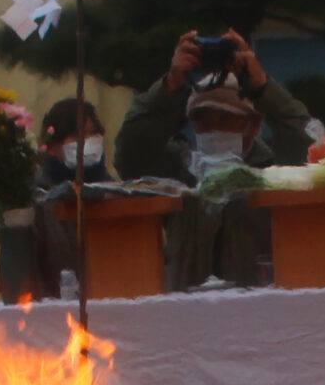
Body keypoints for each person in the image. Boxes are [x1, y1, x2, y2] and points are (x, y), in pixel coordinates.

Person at [117, 30, 312, 287]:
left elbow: (308, 141)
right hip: (187, 310)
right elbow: (131, 152)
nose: (212, 129)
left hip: (260, 309)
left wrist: (263, 87)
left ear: (252, 127)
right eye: (202, 120)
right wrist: (170, 85)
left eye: (225, 119)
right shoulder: (178, 173)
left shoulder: (274, 173)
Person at [37, 99, 111, 190]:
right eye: (77, 136)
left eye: (93, 132)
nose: (88, 139)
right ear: (52, 147)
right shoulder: (36, 192)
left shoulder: (114, 190)